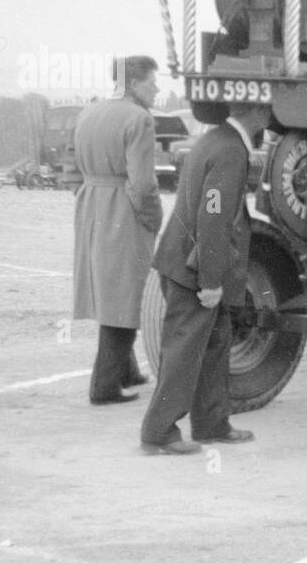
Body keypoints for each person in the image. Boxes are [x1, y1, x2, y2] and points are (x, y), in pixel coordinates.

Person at [139, 101, 271, 454]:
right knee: (184, 351)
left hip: (183, 260)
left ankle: (212, 424)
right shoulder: (231, 150)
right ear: (257, 113)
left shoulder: (215, 139)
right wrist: (211, 282)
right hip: (194, 269)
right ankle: (158, 432)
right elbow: (213, 217)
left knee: (215, 343)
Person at [72, 56, 164, 405]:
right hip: (122, 206)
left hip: (92, 204)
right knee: (126, 291)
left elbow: (70, 166)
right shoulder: (139, 118)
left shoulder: (89, 112)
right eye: (152, 81)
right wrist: (153, 217)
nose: (157, 88)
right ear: (135, 83)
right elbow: (142, 184)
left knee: (108, 289)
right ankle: (105, 386)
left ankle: (126, 371)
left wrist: (87, 193)